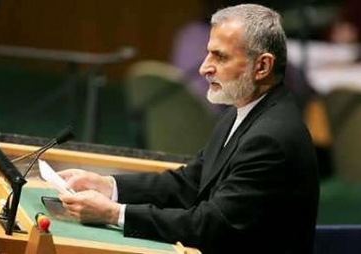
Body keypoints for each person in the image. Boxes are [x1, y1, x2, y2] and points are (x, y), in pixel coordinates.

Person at [57, 4, 320, 254]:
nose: (204, 67)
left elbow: (212, 225)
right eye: (208, 53)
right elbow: (190, 184)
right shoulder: (241, 111)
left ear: (262, 66)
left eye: (220, 56)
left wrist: (115, 213)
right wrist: (108, 186)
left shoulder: (271, 137)